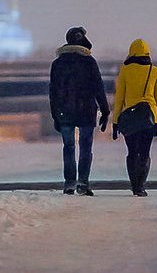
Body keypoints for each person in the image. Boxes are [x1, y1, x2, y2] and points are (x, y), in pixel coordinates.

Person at [48, 25, 109, 196]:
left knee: (68, 147)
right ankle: (83, 183)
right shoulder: (89, 62)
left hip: (65, 113)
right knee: (85, 147)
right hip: (86, 111)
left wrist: (55, 114)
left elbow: (53, 92)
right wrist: (105, 110)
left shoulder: (57, 63)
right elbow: (98, 87)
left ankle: (69, 183)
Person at [110, 37, 157, 197]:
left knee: (132, 152)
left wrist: (115, 122)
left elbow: (119, 98)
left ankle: (134, 185)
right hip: (149, 117)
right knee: (145, 152)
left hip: (130, 118)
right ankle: (141, 186)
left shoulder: (125, 70)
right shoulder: (154, 71)